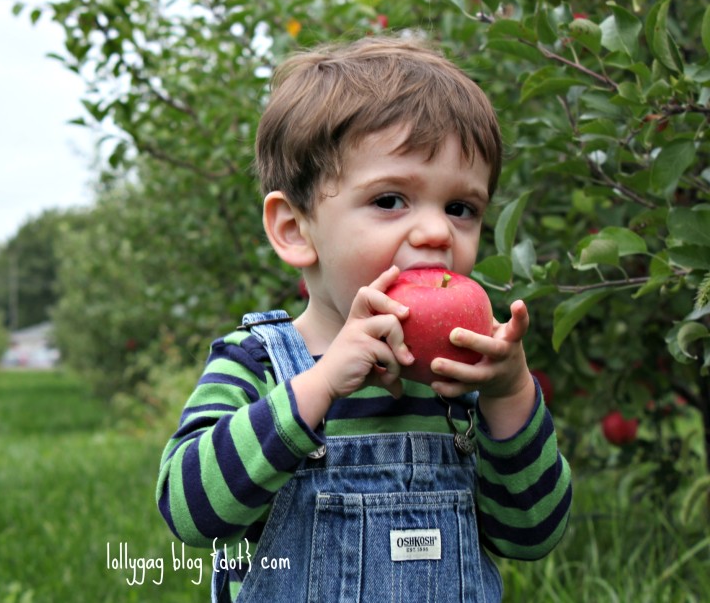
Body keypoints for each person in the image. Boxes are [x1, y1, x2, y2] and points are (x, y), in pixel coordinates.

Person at [155, 36, 572, 602]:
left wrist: (510, 392)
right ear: (295, 229)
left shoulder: (458, 383)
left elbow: (532, 534)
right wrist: (320, 385)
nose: (436, 232)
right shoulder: (258, 365)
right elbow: (189, 511)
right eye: (390, 200)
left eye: (461, 208)